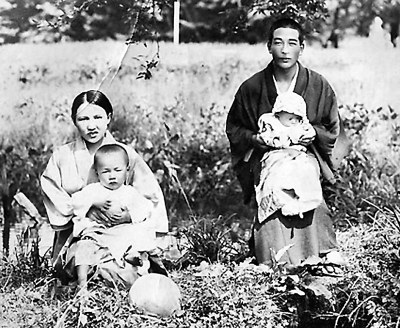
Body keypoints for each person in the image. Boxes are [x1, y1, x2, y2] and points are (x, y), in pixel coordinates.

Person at [226, 18, 349, 271]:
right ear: (268, 46)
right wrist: (254, 139)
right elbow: (234, 127)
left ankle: (322, 249)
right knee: (274, 185)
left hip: (305, 155)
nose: (284, 49)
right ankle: (273, 257)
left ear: (301, 48)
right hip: (267, 157)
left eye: (292, 43)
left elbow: (332, 128)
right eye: (278, 42)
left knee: (306, 179)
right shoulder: (252, 87)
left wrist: (312, 134)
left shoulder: (318, 85)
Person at [41, 89, 169, 288]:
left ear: (109, 118)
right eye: (83, 119)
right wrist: (85, 210)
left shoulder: (125, 154)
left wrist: (129, 215)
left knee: (125, 269)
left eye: (98, 117)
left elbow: (150, 197)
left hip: (124, 232)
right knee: (82, 259)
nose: (91, 125)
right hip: (81, 232)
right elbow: (52, 192)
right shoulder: (62, 156)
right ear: (74, 120)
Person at [71, 144, 156, 288]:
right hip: (99, 233)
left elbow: (146, 208)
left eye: (117, 170)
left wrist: (129, 216)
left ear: (127, 170)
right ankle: (82, 283)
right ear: (97, 173)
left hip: (121, 232)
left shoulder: (129, 192)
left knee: (138, 232)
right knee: (84, 246)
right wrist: (93, 204)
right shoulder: (93, 190)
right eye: (105, 172)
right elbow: (75, 202)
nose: (112, 176)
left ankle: (133, 256)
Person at [253, 92, 323, 223]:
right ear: (278, 114)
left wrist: (306, 133)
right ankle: (285, 201)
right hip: (277, 154)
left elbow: (308, 133)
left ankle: (307, 200)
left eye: (297, 118)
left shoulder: (299, 125)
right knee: (282, 173)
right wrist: (288, 138)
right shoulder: (271, 124)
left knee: (306, 170)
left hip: (298, 154)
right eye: (290, 118)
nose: (294, 121)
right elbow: (269, 139)